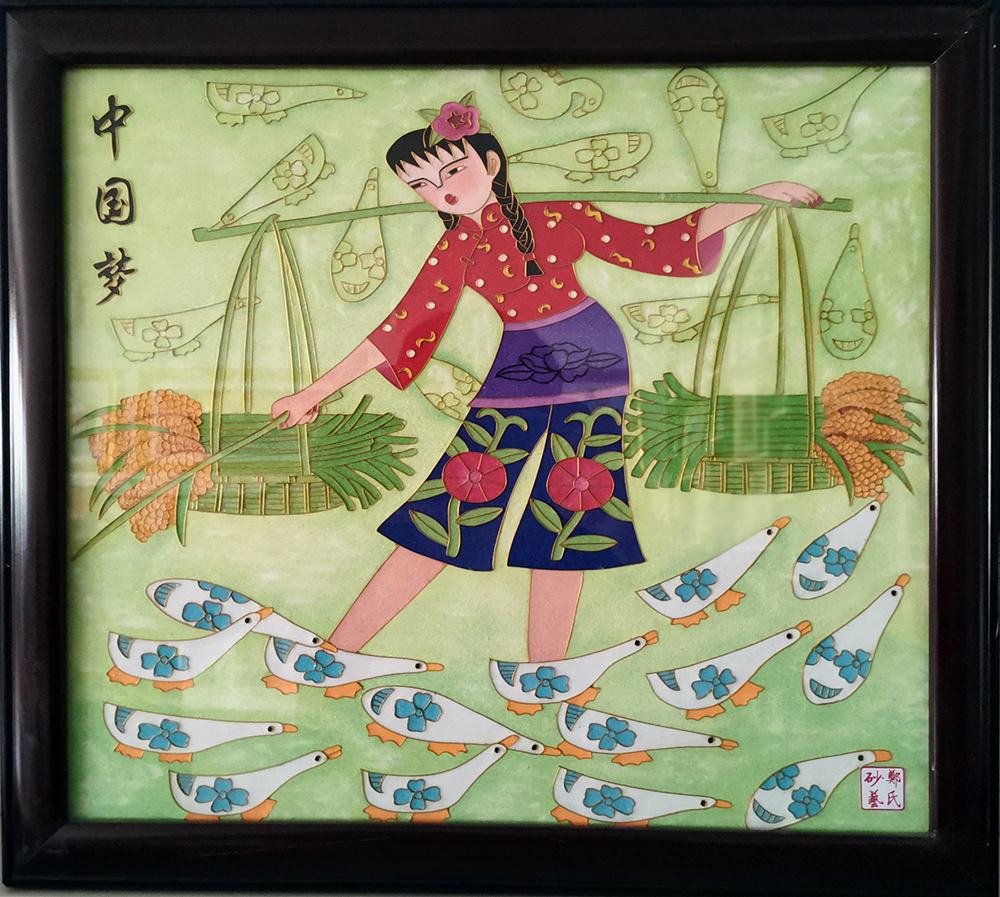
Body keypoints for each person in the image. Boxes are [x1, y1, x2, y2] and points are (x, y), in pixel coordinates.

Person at [271, 96, 823, 661]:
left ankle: (546, 671)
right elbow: (403, 325)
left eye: (453, 171)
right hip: (521, 362)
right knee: (457, 495)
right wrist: (314, 392)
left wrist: (753, 199)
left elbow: (655, 245)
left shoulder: (557, 215)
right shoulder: (456, 246)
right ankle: (340, 649)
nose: (443, 192)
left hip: (593, 359)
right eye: (423, 186)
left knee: (572, 501)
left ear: (491, 163)